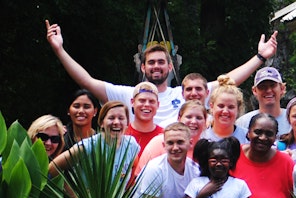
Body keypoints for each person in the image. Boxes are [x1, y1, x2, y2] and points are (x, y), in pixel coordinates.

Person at [45, 20, 277, 124]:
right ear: (143, 67)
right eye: (151, 63)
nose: (156, 66)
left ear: (170, 67)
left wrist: (260, 57)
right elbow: (86, 80)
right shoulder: (129, 95)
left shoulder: (186, 94)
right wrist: (59, 50)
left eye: (161, 62)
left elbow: (229, 80)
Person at [49, 101, 140, 180]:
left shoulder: (131, 145)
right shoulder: (87, 147)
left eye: (121, 118)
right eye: (111, 118)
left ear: (127, 123)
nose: (116, 122)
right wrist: (71, 194)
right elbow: (53, 168)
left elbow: (134, 166)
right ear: (101, 123)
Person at [135, 100, 207, 177]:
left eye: (199, 118)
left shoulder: (206, 149)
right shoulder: (158, 143)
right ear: (179, 118)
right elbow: (139, 177)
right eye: (188, 117)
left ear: (205, 121)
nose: (193, 121)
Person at [235, 67, 291, 136]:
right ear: (255, 91)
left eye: (272, 85)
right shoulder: (243, 123)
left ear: (282, 88)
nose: (268, 90)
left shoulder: (293, 119)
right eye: (262, 87)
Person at [201, 76, 249, 144]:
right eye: (221, 106)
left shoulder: (248, 138)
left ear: (238, 109)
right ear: (211, 107)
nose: (225, 111)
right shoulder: (201, 137)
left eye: (231, 107)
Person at [125, 82, 163, 151]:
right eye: (142, 100)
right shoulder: (123, 135)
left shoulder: (164, 136)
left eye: (151, 101)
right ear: (132, 102)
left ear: (158, 105)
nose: (147, 104)